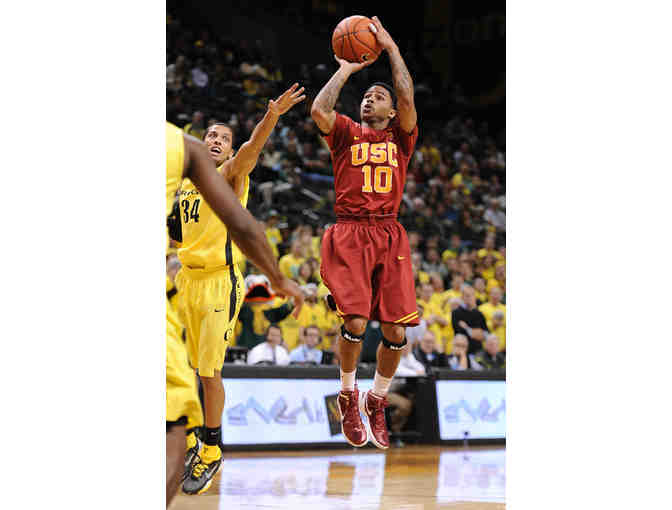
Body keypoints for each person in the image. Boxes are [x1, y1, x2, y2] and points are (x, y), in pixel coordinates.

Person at [174, 84, 307, 496]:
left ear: (229, 150)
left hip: (219, 281)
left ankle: (212, 448)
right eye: (210, 136)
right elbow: (177, 235)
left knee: (209, 372)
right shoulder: (183, 186)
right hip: (185, 280)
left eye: (223, 138)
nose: (215, 141)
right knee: (176, 365)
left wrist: (271, 117)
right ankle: (190, 439)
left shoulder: (231, 174)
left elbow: (251, 149)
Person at [311, 16, 419, 450]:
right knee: (355, 320)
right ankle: (347, 395)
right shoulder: (345, 133)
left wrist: (392, 49)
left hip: (389, 233)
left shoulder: (400, 138)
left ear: (391, 113)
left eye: (378, 97)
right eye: (366, 96)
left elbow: (407, 95)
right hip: (350, 231)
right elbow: (319, 110)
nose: (369, 99)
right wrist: (345, 69)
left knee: (395, 332)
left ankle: (376, 399)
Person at [452, 284, 489, 355]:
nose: (470, 298)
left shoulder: (479, 314)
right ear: (462, 297)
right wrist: (477, 332)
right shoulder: (456, 313)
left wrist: (467, 328)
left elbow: (485, 335)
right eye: (467, 295)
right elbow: (460, 334)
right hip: (461, 351)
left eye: (472, 295)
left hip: (478, 351)